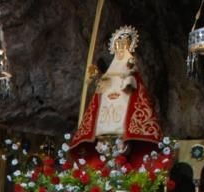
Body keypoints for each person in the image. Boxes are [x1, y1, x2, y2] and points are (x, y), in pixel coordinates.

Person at [69, 25, 163, 163]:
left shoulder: (129, 68)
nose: (120, 50)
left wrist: (130, 73)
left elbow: (133, 75)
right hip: (106, 115)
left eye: (123, 47)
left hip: (122, 110)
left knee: (121, 131)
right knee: (103, 131)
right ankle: (104, 147)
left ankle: (120, 149)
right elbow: (99, 93)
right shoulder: (110, 72)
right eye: (118, 47)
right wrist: (94, 77)